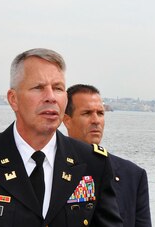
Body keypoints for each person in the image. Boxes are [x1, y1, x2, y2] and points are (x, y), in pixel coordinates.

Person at [0, 48, 123, 226]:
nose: (51, 97)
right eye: (38, 88)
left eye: (58, 88)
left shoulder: (93, 163)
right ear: (13, 99)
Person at [63, 85, 150, 227]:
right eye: (87, 113)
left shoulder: (133, 175)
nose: (96, 120)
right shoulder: (52, 168)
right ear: (67, 120)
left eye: (100, 113)